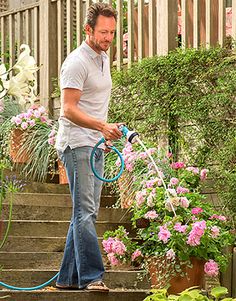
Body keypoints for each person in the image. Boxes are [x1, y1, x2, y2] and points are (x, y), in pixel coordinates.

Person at [55, 2, 122, 292]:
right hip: (76, 143)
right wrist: (101, 127)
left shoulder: (102, 57)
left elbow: (94, 103)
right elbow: (68, 110)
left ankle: (67, 278)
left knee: (87, 212)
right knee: (84, 211)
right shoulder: (76, 62)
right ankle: (92, 276)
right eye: (103, 32)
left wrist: (104, 134)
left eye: (112, 33)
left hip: (95, 144)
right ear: (87, 30)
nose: (108, 38)